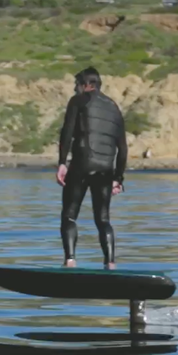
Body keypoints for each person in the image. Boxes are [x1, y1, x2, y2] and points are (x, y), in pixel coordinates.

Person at [55, 67, 127, 268]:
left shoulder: (78, 101)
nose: (75, 89)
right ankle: (110, 263)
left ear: (86, 84)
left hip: (82, 163)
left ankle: (70, 260)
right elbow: (123, 148)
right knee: (103, 219)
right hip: (106, 168)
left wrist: (62, 162)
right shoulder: (114, 107)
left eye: (77, 84)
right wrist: (118, 178)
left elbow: (67, 133)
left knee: (69, 215)